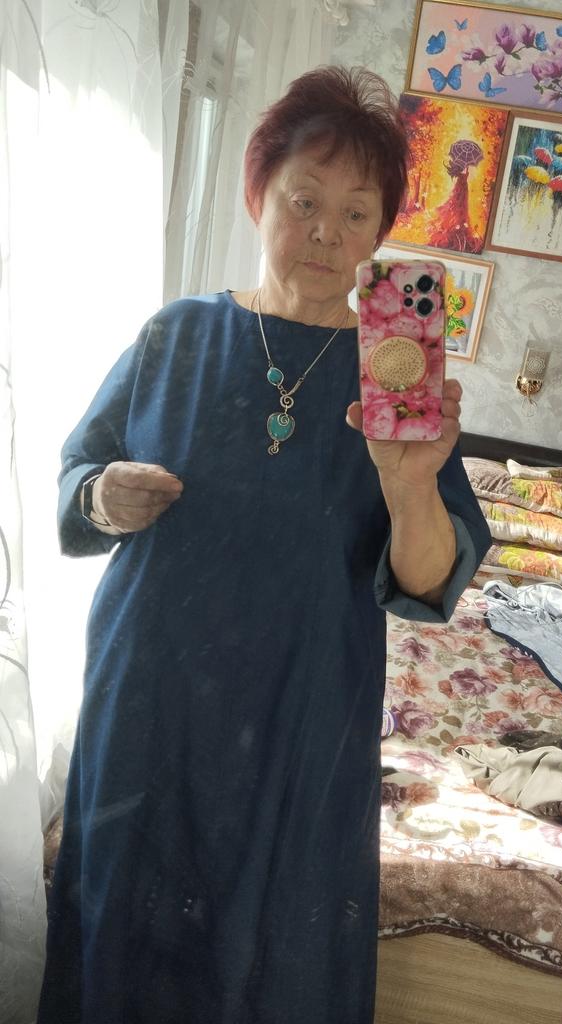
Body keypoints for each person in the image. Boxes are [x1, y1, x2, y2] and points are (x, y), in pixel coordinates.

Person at [38, 66, 491, 1024]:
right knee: (124, 911)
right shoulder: (175, 337)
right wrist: (104, 497)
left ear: (380, 234)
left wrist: (409, 483)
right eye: (304, 201)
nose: (326, 231)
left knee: (274, 936)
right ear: (259, 198)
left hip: (303, 708)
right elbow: (77, 481)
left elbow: (428, 583)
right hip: (152, 693)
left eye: (356, 212)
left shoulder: (393, 378)